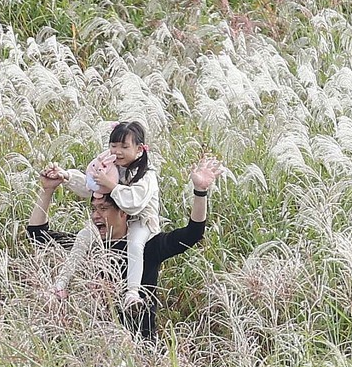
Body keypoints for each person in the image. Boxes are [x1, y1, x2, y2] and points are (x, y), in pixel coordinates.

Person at [36, 157, 219, 338]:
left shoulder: (149, 247)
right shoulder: (89, 245)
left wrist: (200, 191)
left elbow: (193, 233)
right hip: (95, 343)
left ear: (124, 212)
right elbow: (38, 234)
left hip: (139, 346)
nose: (96, 216)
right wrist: (47, 190)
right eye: (94, 209)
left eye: (103, 209)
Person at [40, 121, 162, 308]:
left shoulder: (147, 174)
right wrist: (66, 176)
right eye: (113, 146)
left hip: (141, 220)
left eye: (124, 146)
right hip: (117, 222)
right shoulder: (112, 167)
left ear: (139, 149)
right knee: (83, 237)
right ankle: (60, 284)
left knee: (135, 245)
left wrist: (111, 185)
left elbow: (134, 203)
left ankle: (132, 292)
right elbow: (91, 186)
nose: (117, 151)